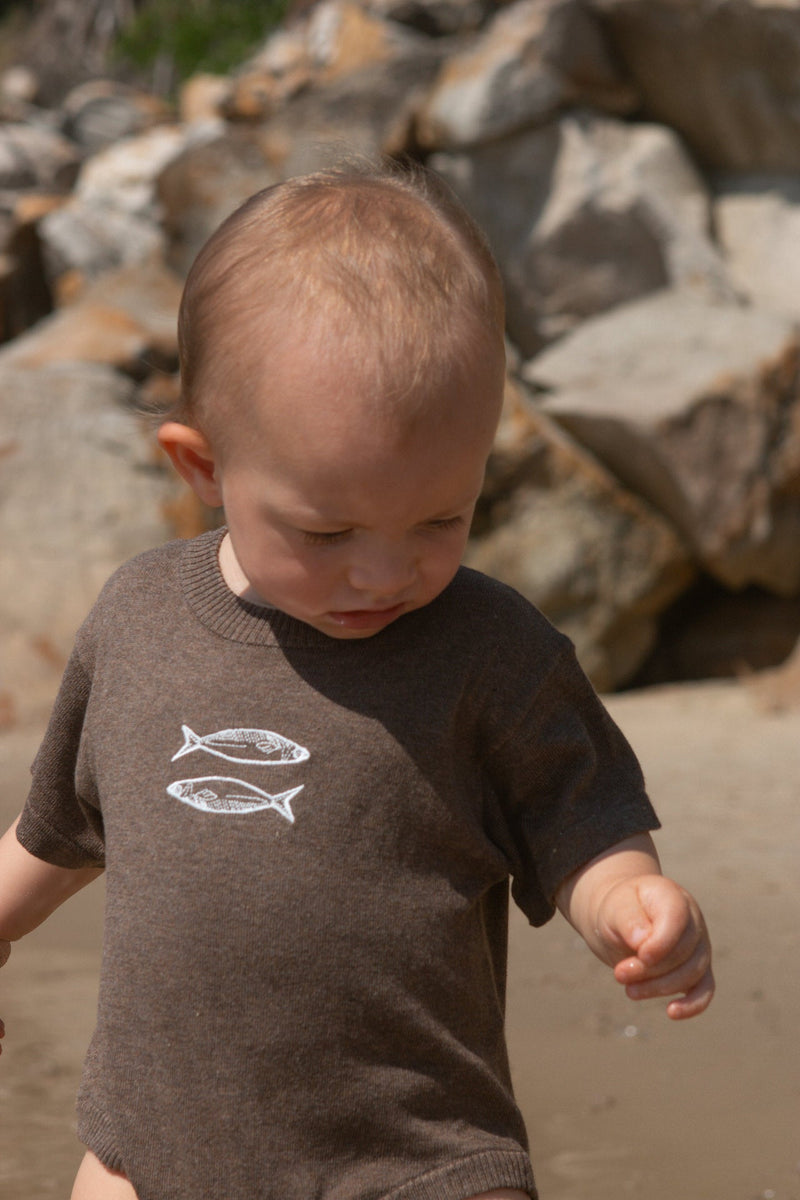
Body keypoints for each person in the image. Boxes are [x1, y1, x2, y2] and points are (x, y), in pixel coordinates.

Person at [0, 163, 713, 1200]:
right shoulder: (139, 619)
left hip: (417, 1163)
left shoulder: (489, 652)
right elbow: (62, 828)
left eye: (440, 519)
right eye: (326, 531)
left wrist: (628, 900)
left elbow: (583, 822)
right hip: (151, 1154)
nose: (385, 573)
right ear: (202, 468)